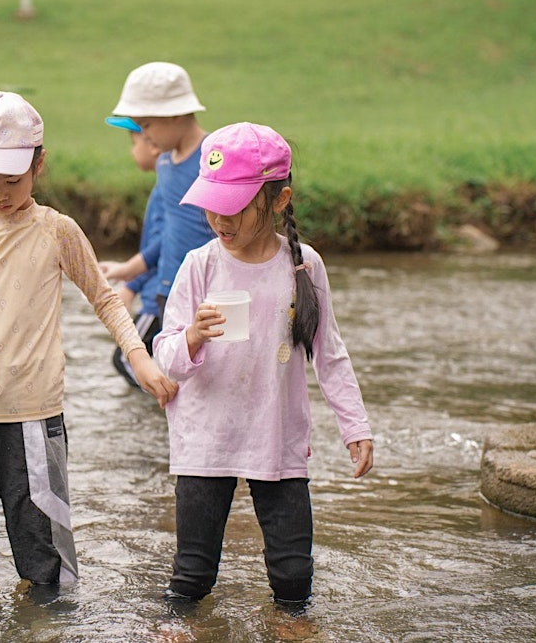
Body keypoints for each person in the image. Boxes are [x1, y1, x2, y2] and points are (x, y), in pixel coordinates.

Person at [0, 91, 178, 588]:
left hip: (34, 410)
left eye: (12, 181)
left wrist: (140, 357)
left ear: (38, 165)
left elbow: (105, 299)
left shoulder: (56, 231)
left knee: (44, 551)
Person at [152, 122, 375, 606]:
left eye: (233, 206)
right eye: (212, 204)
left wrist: (354, 424)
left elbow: (329, 352)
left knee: (294, 576)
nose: (219, 219)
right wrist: (192, 336)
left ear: (277, 200)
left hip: (277, 434)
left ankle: (292, 628)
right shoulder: (200, 265)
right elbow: (165, 357)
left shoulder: (303, 266)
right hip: (206, 438)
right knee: (192, 575)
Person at [98, 62, 215, 358]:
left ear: (175, 114)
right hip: (169, 293)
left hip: (208, 293)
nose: (144, 137)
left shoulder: (212, 158)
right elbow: (168, 236)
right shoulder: (164, 163)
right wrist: (129, 270)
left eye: (147, 125)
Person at [98, 115, 163, 387]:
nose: (132, 149)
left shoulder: (165, 192)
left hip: (157, 298)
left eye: (133, 141)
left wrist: (131, 284)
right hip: (159, 292)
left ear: (152, 143)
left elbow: (161, 246)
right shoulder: (165, 186)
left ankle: (169, 410)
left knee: (125, 359)